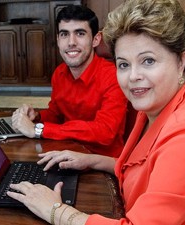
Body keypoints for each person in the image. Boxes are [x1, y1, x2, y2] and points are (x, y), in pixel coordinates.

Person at [7, 0, 185, 224]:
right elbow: (142, 169)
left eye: (148, 61)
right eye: (124, 64)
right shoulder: (155, 105)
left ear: (180, 61)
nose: (133, 76)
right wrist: (92, 160)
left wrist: (55, 211)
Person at [12, 5, 128, 158]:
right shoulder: (59, 73)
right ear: (58, 40)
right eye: (64, 34)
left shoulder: (113, 76)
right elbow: (56, 115)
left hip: (102, 163)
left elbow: (105, 132)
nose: (71, 42)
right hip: (65, 152)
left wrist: (38, 130)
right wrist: (37, 117)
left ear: (95, 39)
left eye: (80, 33)